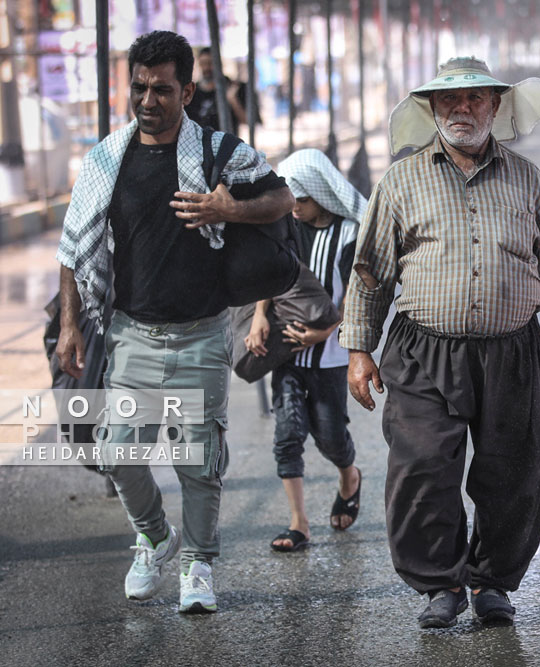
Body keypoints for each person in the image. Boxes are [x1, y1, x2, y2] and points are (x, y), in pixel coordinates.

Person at [340, 56, 540, 629]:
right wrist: (359, 348)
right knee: (423, 467)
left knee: (516, 470)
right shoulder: (402, 181)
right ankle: (441, 584)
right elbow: (371, 271)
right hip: (422, 351)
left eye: (476, 98)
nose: (463, 108)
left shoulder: (528, 179)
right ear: (431, 108)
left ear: (495, 106)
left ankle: (492, 583)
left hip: (514, 352)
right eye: (450, 100)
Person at [55, 30, 293, 613]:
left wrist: (227, 207)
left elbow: (283, 200)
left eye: (162, 89)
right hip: (131, 336)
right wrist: (68, 325)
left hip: (201, 336)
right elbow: (72, 244)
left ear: (187, 90)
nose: (147, 100)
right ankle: (157, 537)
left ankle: (198, 565)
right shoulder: (109, 158)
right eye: (139, 87)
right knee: (116, 453)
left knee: (199, 463)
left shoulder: (220, 152)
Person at [245, 149, 366, 552]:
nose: (294, 208)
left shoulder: (349, 233)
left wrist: (325, 332)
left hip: (329, 355)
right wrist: (261, 315)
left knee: (331, 436)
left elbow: (356, 295)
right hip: (287, 353)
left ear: (320, 194)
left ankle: (349, 476)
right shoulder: (285, 225)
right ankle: (299, 523)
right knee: (288, 433)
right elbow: (269, 273)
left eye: (302, 200)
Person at [185, 46, 248, 132]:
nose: (206, 68)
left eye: (210, 63)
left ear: (219, 64)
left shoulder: (233, 87)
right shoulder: (193, 92)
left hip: (227, 143)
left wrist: (233, 100)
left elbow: (246, 121)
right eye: (203, 64)